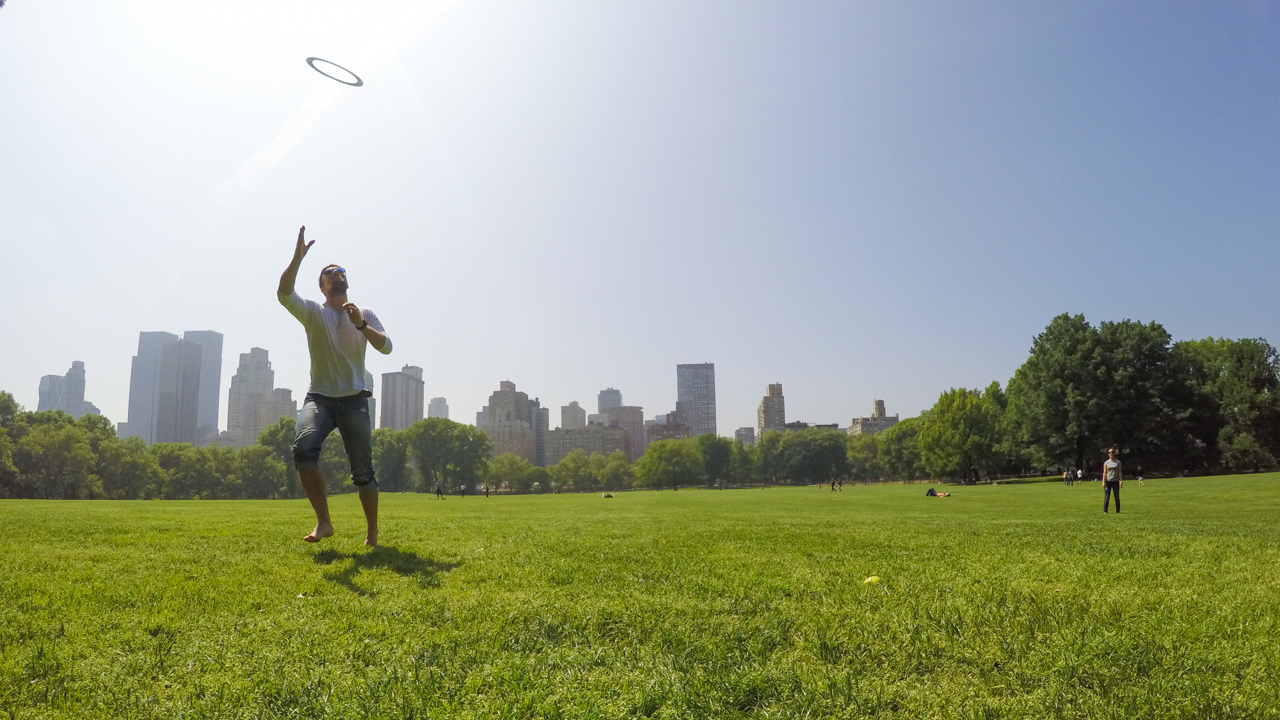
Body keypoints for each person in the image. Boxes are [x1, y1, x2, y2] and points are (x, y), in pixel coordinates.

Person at [278, 226, 392, 546]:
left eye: (340, 270)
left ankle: (372, 532)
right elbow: (284, 293)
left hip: (355, 399)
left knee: (363, 472)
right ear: (322, 286)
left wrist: (361, 325)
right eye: (329, 272)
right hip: (320, 399)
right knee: (304, 449)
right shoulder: (313, 312)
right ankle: (324, 522)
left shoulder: (364, 313)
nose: (336, 273)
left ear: (346, 281)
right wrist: (298, 259)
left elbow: (386, 347)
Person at [1102, 447, 1122, 513]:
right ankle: (1105, 511)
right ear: (1108, 454)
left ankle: (1118, 511)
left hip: (1115, 481)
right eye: (1109, 452)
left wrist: (1121, 481)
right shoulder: (1106, 463)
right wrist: (1103, 482)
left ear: (1114, 453)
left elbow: (1119, 472)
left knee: (1116, 497)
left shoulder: (1118, 462)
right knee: (1107, 497)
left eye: (1112, 452)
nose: (1111, 454)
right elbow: (1104, 472)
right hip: (1108, 481)